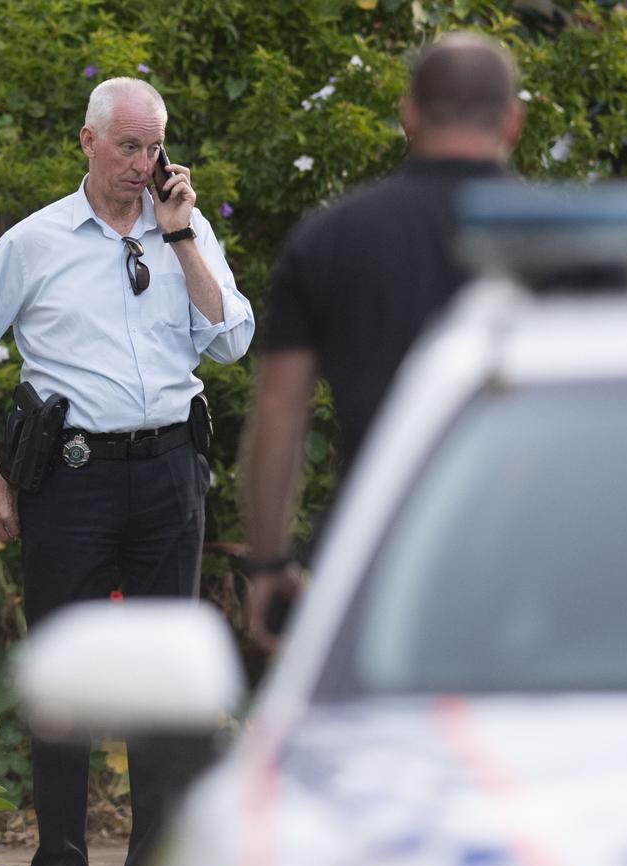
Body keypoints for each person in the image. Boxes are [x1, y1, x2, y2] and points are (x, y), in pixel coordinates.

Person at [0, 77, 254, 866]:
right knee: (64, 674)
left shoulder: (184, 229)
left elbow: (231, 338)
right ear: (87, 140)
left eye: (153, 148)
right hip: (71, 476)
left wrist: (182, 237)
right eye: (127, 147)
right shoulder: (34, 244)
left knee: (163, 680)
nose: (141, 165)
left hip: (168, 472)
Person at [241, 33, 523, 650]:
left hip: (378, 557)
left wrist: (268, 563)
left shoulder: (333, 237)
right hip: (540, 565)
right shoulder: (574, 245)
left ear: (409, 114)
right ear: (513, 121)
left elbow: (280, 411)